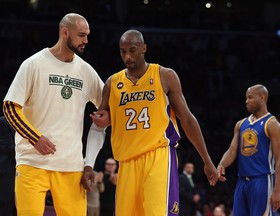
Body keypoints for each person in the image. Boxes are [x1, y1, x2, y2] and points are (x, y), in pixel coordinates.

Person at [82, 29, 218, 216]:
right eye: (123, 51)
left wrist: (207, 159)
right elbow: (99, 125)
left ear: (144, 48)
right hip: (127, 161)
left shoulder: (164, 76)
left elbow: (187, 119)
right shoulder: (112, 83)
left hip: (158, 156)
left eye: (132, 50)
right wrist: (89, 161)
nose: (127, 56)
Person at [2, 13, 108, 215]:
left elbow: (107, 107)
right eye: (81, 35)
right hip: (32, 163)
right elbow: (9, 107)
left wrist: (108, 117)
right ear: (65, 32)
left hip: (71, 166)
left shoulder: (86, 71)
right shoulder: (34, 64)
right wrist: (35, 138)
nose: (86, 40)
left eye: (87, 35)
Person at [217, 84, 280, 216]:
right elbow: (232, 151)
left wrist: (277, 190)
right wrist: (221, 164)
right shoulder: (241, 124)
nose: (246, 101)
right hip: (242, 181)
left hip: (262, 180)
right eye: (246, 98)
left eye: (250, 98)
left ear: (262, 97)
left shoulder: (272, 124)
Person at [0, 116, 16, 216]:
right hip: (7, 170)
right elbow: (8, 148)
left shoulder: (34, 121)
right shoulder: (3, 122)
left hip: (26, 169)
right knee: (7, 206)